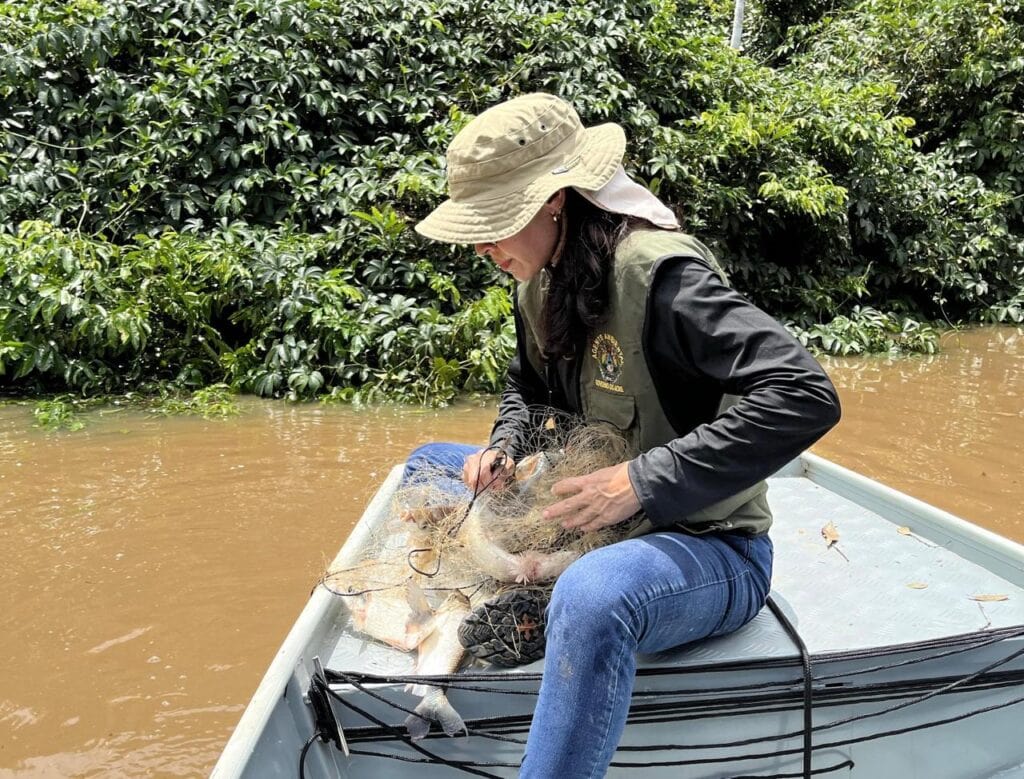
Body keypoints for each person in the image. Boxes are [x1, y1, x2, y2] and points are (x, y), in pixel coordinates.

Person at [412, 93, 841, 778]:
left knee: (591, 593)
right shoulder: (539, 281)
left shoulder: (662, 277)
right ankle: (536, 595)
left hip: (708, 546)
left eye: (493, 224)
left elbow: (803, 393)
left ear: (555, 199)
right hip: (594, 520)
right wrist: (504, 447)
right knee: (426, 463)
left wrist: (640, 480)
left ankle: (555, 607)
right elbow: (529, 390)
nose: (481, 247)